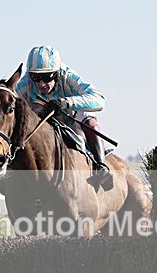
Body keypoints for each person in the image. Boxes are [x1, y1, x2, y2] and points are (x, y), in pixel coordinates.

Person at [15, 45, 111, 184]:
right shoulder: (24, 85)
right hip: (45, 126)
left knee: (89, 119)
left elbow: (99, 100)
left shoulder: (68, 76)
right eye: (36, 77)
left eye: (47, 77)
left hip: (72, 121)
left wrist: (66, 102)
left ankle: (101, 165)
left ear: (57, 72)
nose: (41, 84)